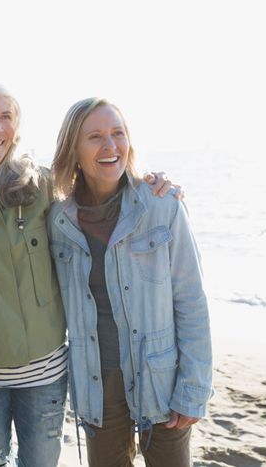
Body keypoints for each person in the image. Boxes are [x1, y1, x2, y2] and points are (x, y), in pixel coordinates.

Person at [0, 80, 180, 467]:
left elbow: (102, 185)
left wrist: (151, 183)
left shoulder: (41, 184)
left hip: (46, 372)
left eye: (6, 116)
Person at [48, 98, 211, 466]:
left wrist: (194, 388)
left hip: (161, 377)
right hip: (96, 381)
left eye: (117, 133)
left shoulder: (163, 206)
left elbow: (191, 301)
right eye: (95, 137)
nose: (110, 146)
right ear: (73, 150)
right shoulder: (58, 219)